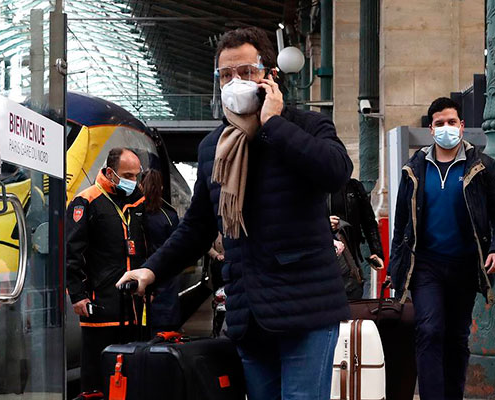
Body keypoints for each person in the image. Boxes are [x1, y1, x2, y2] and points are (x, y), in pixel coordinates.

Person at [117, 27, 353, 400]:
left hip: (305, 311)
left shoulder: (307, 125)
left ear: (270, 76)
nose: (234, 82)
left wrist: (274, 124)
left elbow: (336, 172)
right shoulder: (214, 147)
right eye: (225, 74)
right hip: (249, 316)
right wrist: (151, 270)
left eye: (245, 71)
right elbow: (197, 226)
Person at [388, 97, 495, 400]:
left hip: (465, 265)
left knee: (457, 337)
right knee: (429, 330)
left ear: (461, 125)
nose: (446, 128)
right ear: (431, 129)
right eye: (439, 123)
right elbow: (402, 222)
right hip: (426, 265)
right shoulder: (414, 168)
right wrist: (396, 266)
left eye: (451, 122)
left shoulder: (483, 167)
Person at [66, 148, 147, 397]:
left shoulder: (137, 203)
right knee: (97, 375)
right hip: (100, 306)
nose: (133, 181)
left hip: (133, 307)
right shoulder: (87, 201)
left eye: (136, 175)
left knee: (130, 374)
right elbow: (72, 252)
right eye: (128, 175)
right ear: (111, 173)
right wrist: (78, 295)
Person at [141, 169, 181, 334]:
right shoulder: (169, 216)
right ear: (162, 188)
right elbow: (176, 251)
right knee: (164, 333)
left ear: (141, 186)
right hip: (166, 283)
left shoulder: (135, 214)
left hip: (141, 280)